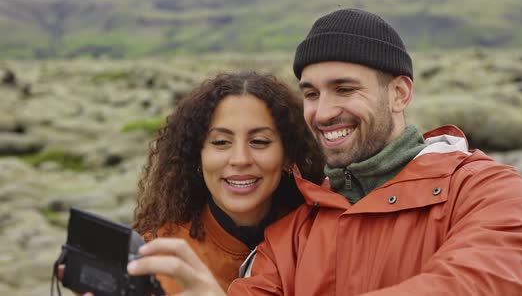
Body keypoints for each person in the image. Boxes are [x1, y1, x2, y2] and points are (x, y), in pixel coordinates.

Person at [129, 8, 522, 295]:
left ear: (399, 93)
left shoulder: (487, 191)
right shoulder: (292, 232)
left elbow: (485, 283)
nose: (325, 112)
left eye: (345, 89)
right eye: (311, 93)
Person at [60, 71, 324, 295]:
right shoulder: (158, 261)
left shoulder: (321, 236)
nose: (240, 159)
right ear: (197, 156)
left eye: (260, 142)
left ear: (289, 155)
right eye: (221, 142)